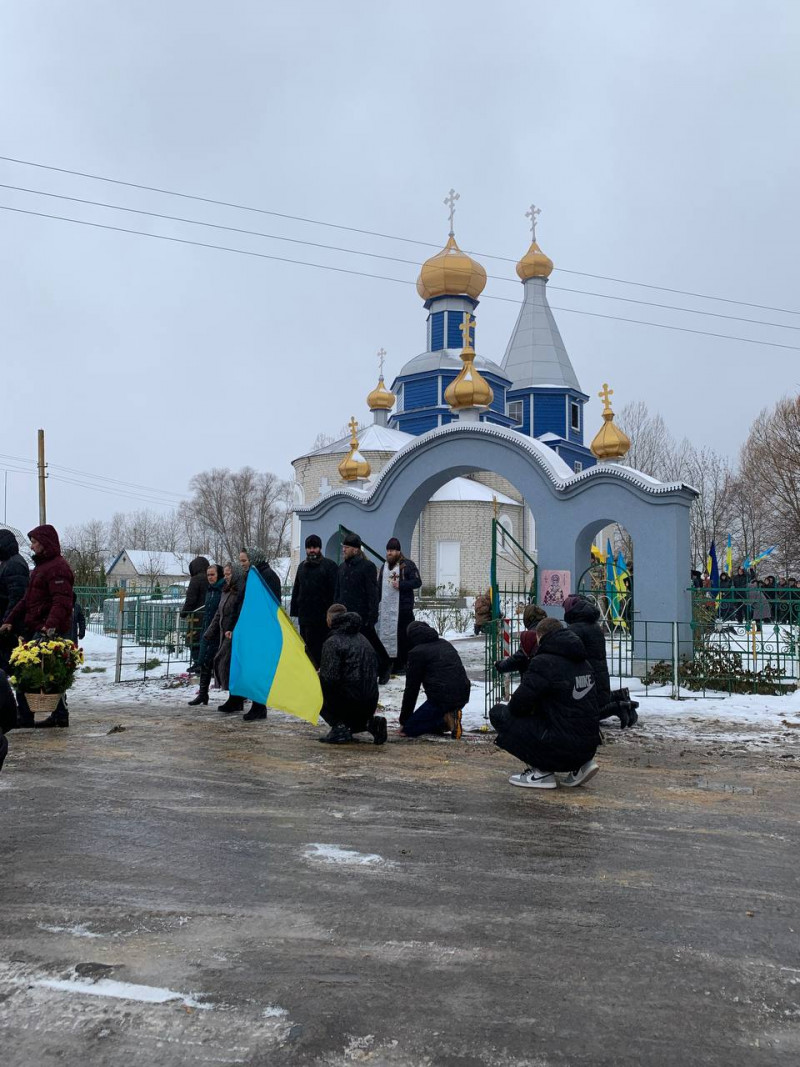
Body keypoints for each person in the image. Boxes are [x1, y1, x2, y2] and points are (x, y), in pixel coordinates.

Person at [490, 618, 602, 789]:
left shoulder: (543, 662)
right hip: (588, 746)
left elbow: (517, 706)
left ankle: (541, 772)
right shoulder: (583, 662)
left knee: (499, 713)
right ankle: (581, 765)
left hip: (559, 746)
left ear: (540, 637)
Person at [0, 524, 74, 729]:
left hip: (48, 629)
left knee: (34, 670)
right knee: (45, 671)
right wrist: (9, 620)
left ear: (45, 543)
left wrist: (49, 626)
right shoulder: (42, 567)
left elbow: (61, 601)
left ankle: (33, 715)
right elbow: (26, 600)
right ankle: (56, 715)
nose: (31, 547)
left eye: (34, 542)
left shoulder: (57, 567)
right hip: (38, 626)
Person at [563, 593, 638, 727]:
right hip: (599, 673)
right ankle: (621, 697)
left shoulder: (575, 629)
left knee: (587, 713)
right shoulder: (594, 626)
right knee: (597, 702)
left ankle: (618, 707)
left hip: (585, 677)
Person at [317, 603, 387, 745]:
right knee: (352, 693)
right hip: (370, 700)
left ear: (330, 620)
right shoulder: (363, 638)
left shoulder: (333, 642)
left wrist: (318, 675)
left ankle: (339, 727)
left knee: (315, 686)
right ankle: (370, 723)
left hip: (348, 702)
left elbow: (329, 679)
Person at [399, 621, 471, 739]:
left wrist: (404, 721)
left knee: (408, 730)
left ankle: (445, 719)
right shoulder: (445, 643)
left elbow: (411, 689)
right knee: (431, 719)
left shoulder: (417, 653)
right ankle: (449, 717)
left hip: (441, 699)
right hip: (463, 693)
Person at [334, 532, 391, 683]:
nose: (344, 550)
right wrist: (336, 611)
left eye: (347, 547)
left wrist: (372, 615)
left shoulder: (367, 567)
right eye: (343, 547)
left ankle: (385, 665)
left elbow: (373, 593)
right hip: (346, 615)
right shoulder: (341, 568)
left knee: (371, 642)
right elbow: (338, 592)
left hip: (362, 615)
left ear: (356, 549)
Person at [290, 534, 338, 667]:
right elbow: (297, 589)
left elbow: (334, 591)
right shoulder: (301, 567)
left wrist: (332, 614)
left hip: (323, 618)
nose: (312, 550)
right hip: (305, 617)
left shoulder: (329, 566)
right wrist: (295, 610)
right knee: (307, 649)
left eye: (315, 547)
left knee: (322, 650)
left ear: (320, 548)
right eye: (309, 548)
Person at [376, 538, 422, 675]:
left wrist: (402, 585)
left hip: (403, 609)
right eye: (388, 551)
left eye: (392, 551)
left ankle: (404, 663)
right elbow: (379, 585)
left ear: (398, 551)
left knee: (403, 637)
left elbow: (417, 582)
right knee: (389, 636)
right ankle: (392, 662)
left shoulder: (407, 565)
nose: (389, 553)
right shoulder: (385, 567)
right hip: (387, 610)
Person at [204, 563, 245, 714]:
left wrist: (233, 629)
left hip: (234, 634)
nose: (226, 577)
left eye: (229, 574)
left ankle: (236, 697)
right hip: (224, 632)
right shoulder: (226, 590)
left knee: (225, 662)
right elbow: (218, 613)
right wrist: (210, 631)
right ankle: (234, 697)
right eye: (225, 574)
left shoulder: (240, 591)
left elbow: (238, 613)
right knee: (225, 663)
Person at [188, 563, 225, 706]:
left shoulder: (222, 589)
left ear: (219, 575)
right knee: (204, 662)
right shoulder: (210, 590)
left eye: (212, 575)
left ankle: (236, 695)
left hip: (218, 632)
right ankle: (203, 694)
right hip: (207, 630)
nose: (210, 577)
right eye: (208, 575)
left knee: (220, 663)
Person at [0, 529, 30, 672]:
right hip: (9, 625)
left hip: (11, 628)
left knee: (11, 667)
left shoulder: (14, 564)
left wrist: (6, 621)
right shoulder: (8, 563)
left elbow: (16, 597)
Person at [495, 603, 547, 675]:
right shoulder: (551, 628)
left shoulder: (531, 635)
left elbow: (519, 658)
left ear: (528, 619)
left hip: (534, 679)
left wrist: (501, 665)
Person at [181, 555, 211, 671]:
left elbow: (191, 599)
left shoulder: (195, 580)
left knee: (193, 639)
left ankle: (198, 663)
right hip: (209, 614)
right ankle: (204, 663)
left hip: (197, 616)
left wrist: (184, 612)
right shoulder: (210, 578)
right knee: (206, 639)